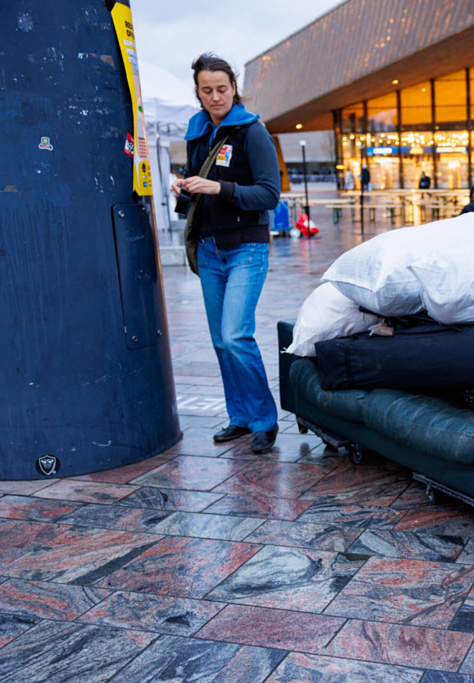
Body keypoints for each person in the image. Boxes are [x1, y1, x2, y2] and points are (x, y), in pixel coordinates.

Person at [172, 53, 280, 453]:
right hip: (209, 247)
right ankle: (240, 417)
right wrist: (185, 189)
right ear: (198, 93)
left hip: (246, 249)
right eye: (207, 90)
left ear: (234, 88)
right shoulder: (197, 132)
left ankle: (265, 419)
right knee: (220, 340)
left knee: (236, 335)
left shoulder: (253, 132)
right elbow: (197, 190)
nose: (216, 96)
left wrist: (220, 188)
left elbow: (269, 194)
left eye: (222, 88)